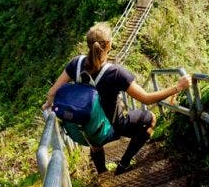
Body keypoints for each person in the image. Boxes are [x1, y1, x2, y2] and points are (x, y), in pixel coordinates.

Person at [42, 22, 192, 174]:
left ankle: (102, 174)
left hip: (84, 131)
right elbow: (146, 99)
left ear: (88, 45)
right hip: (113, 129)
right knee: (150, 119)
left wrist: (48, 104)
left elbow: (53, 92)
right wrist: (177, 87)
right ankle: (124, 164)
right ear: (109, 45)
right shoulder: (115, 73)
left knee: (93, 130)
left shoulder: (76, 63)